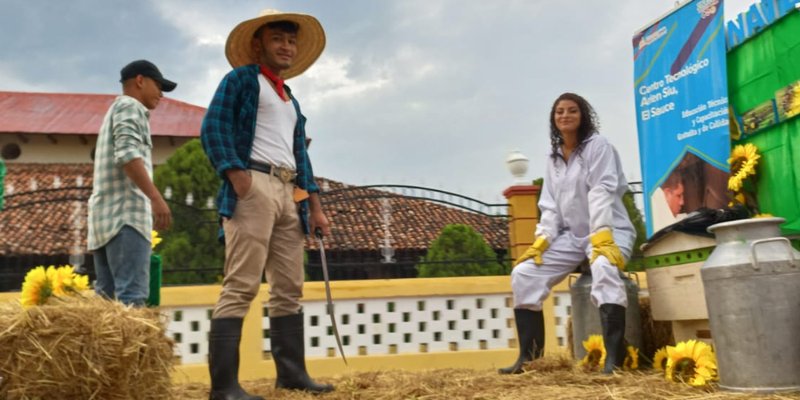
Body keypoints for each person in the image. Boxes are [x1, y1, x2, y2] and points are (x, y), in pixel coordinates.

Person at [200, 9, 332, 400]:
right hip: (252, 184)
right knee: (241, 285)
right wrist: (236, 176)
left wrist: (316, 207)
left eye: (291, 41)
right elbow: (213, 127)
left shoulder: (290, 99)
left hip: (289, 190)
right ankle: (224, 388)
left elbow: (301, 158)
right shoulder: (242, 80)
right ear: (259, 44)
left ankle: (291, 376)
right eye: (278, 39)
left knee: (289, 287)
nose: (286, 46)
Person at [499, 93, 635, 375]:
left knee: (603, 266)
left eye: (572, 110)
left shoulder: (599, 147)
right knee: (524, 273)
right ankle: (530, 358)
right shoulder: (553, 158)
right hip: (572, 237)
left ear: (583, 115)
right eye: (559, 112)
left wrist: (601, 236)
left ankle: (615, 358)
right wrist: (542, 240)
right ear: (553, 119)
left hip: (610, 230)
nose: (565, 116)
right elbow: (549, 204)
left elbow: (602, 190)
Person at [87, 60, 175, 306]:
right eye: (158, 86)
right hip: (126, 218)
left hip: (104, 221)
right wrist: (156, 198)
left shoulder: (114, 110)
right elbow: (127, 154)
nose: (161, 94)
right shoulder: (130, 106)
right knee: (132, 299)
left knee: (106, 302)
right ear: (140, 81)